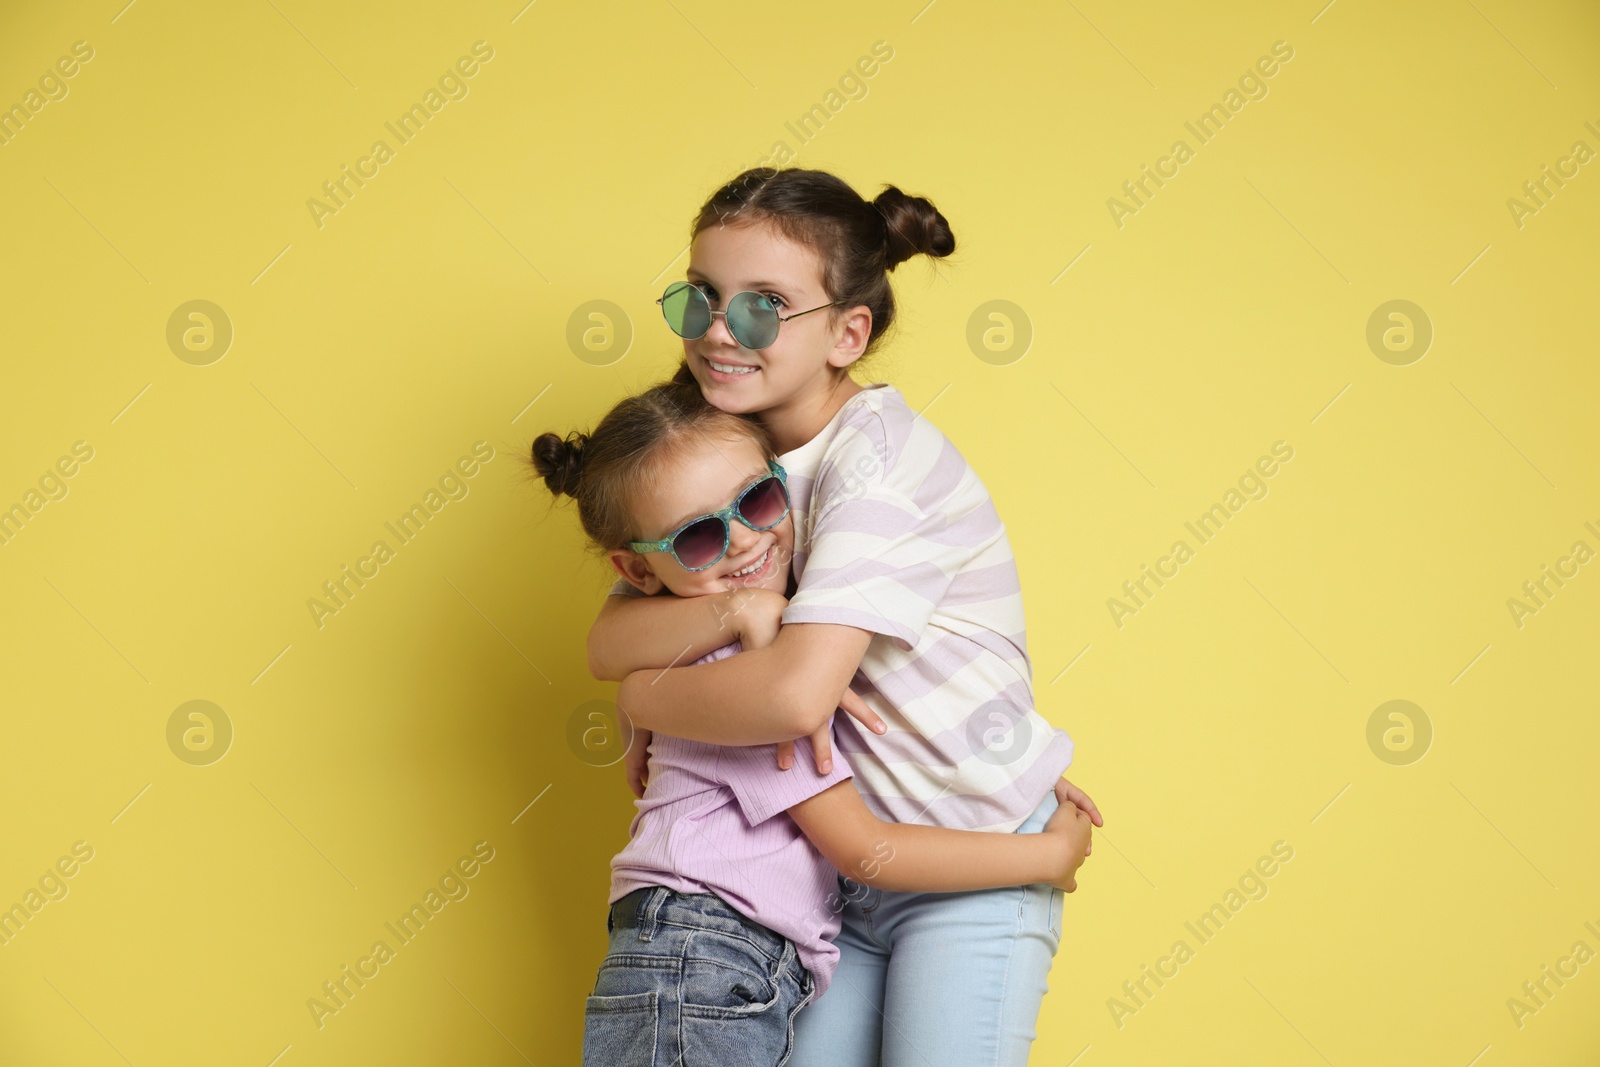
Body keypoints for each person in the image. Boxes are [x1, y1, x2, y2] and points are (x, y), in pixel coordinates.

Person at [587, 167, 1104, 1066]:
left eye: (761, 308)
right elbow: (611, 636)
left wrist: (644, 699)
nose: (717, 331)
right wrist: (740, 610)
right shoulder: (722, 449)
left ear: (847, 332)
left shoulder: (878, 462)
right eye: (702, 296)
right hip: (842, 875)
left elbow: (788, 699)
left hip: (972, 849)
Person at [531, 378, 1094, 1067]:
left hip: (706, 953)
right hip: (704, 957)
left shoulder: (714, 624)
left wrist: (648, 688)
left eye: (760, 499)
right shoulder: (756, 677)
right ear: (638, 570)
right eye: (700, 538)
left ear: (784, 481)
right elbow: (859, 847)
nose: (741, 542)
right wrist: (1050, 855)